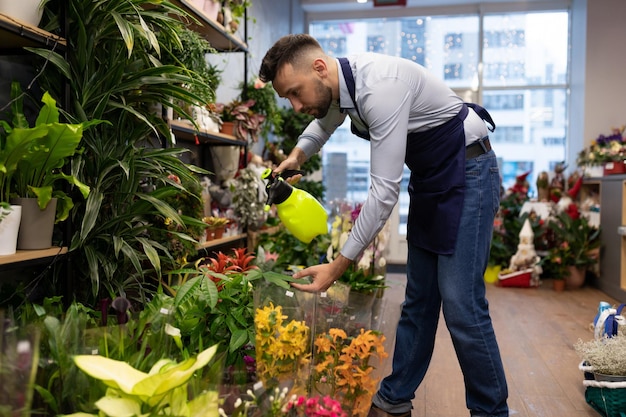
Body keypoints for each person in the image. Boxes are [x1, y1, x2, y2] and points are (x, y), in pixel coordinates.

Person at [258, 34, 508, 417]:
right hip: (431, 179)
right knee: (419, 300)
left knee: (461, 304)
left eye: (295, 92)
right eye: (287, 98)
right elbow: (324, 123)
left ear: (320, 68)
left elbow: (383, 195)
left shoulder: (380, 88)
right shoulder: (339, 85)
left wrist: (338, 267)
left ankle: (491, 411)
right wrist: (297, 155)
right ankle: (395, 399)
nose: (294, 106)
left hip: (469, 171)